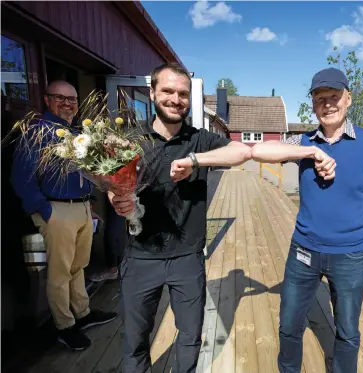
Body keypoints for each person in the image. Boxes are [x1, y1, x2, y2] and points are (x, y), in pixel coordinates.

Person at [250, 67, 363, 373]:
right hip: (303, 251)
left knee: (347, 331)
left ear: (348, 99)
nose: (327, 104)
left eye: (334, 97)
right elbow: (260, 150)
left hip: (351, 256)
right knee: (289, 324)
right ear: (313, 104)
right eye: (320, 99)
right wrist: (310, 151)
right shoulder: (303, 142)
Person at [108, 62, 251, 373]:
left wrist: (196, 160)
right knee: (135, 340)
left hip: (187, 256)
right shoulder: (131, 140)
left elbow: (241, 151)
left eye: (183, 94)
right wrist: (115, 197)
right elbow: (111, 181)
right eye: (168, 91)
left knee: (189, 338)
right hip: (140, 256)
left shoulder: (199, 139)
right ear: (153, 93)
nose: (176, 99)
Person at [10, 81, 117, 351]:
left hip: (81, 208)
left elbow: (83, 174)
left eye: (72, 99)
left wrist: (89, 204)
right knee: (59, 273)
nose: (67, 103)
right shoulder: (36, 133)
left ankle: (83, 313)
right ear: (47, 100)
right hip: (56, 210)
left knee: (78, 266)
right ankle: (65, 325)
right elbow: (20, 179)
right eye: (60, 97)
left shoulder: (78, 133)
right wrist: (46, 212)